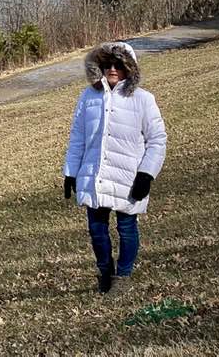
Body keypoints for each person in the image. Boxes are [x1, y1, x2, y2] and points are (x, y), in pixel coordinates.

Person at [62, 41, 167, 295]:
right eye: (107, 64)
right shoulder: (88, 97)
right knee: (97, 230)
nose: (112, 69)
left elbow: (157, 139)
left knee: (126, 228)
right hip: (94, 175)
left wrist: (146, 174)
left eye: (118, 65)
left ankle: (123, 276)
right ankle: (105, 272)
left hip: (128, 178)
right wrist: (70, 172)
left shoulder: (143, 99)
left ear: (128, 68)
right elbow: (78, 136)